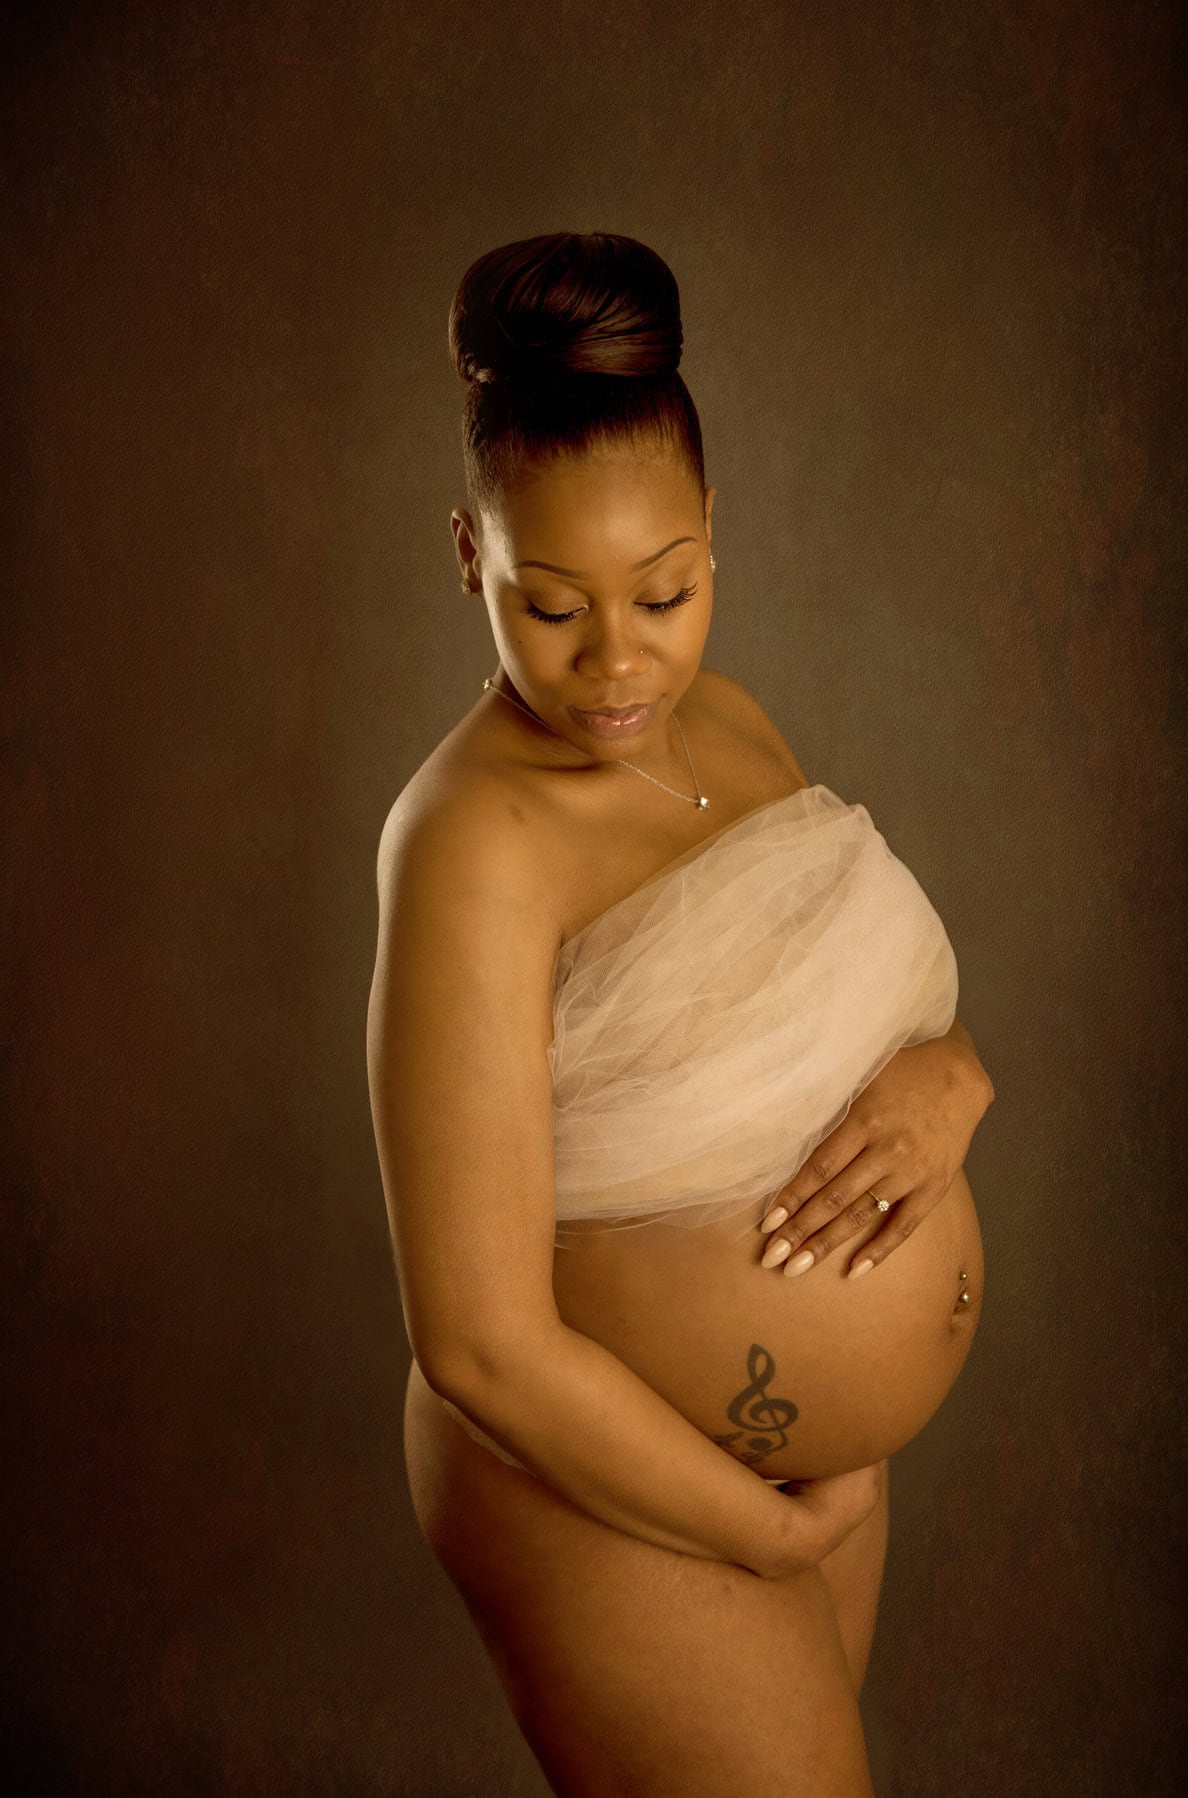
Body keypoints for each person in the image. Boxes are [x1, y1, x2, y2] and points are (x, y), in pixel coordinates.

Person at [366, 231, 994, 1797]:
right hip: (592, 1477)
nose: (618, 661)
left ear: (715, 527)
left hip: (804, 1460)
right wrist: (764, 1526)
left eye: (665, 589)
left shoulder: (727, 722)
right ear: (468, 556)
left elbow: (862, 1013)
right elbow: (479, 1344)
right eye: (552, 605)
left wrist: (955, 1079)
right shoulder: (468, 844)